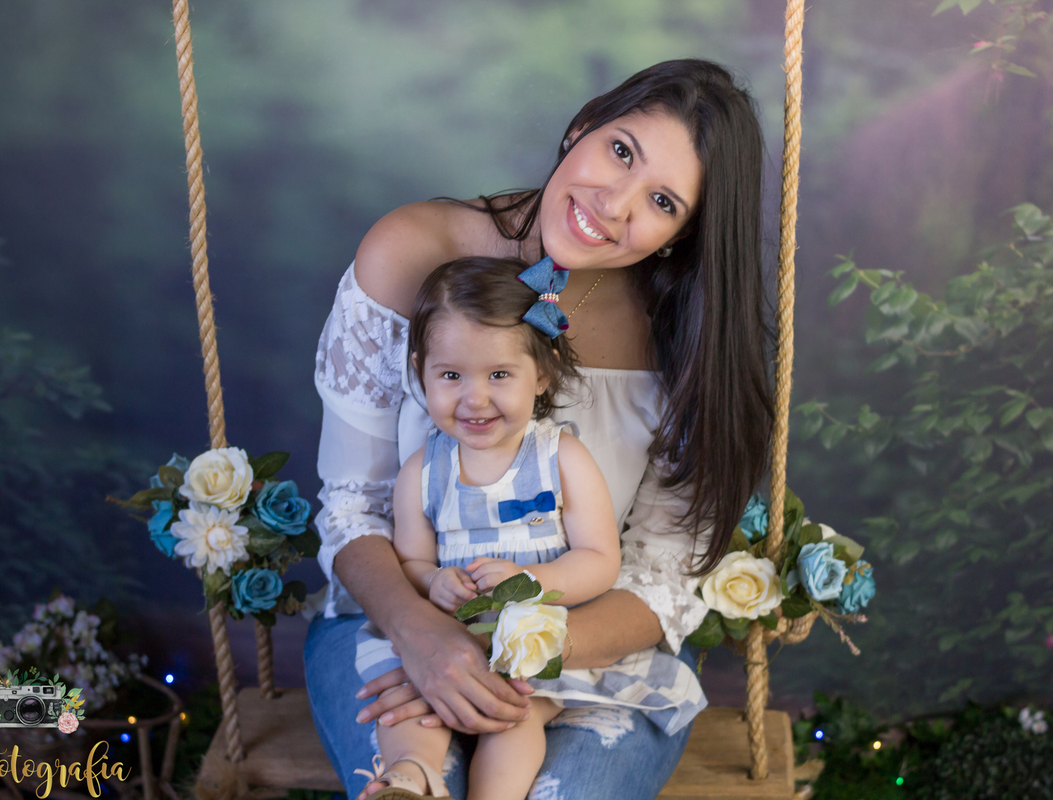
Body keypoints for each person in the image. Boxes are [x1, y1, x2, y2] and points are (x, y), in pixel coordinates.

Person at [305, 58, 773, 800]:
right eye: (620, 150)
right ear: (581, 126)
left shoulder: (687, 344)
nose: (613, 204)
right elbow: (352, 506)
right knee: (414, 777)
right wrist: (426, 635)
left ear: (685, 234)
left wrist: (523, 649)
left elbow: (659, 581)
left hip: (597, 647)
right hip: (396, 619)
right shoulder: (413, 253)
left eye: (661, 200)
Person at [352, 257, 706, 799]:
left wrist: (531, 581)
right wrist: (432, 583)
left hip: (533, 648)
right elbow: (413, 562)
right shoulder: (423, 472)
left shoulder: (560, 456)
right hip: (452, 640)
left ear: (540, 374)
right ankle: (410, 778)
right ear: (421, 369)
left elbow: (599, 560)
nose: (474, 398)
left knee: (513, 718)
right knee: (413, 706)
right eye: (451, 375)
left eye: (499, 375)